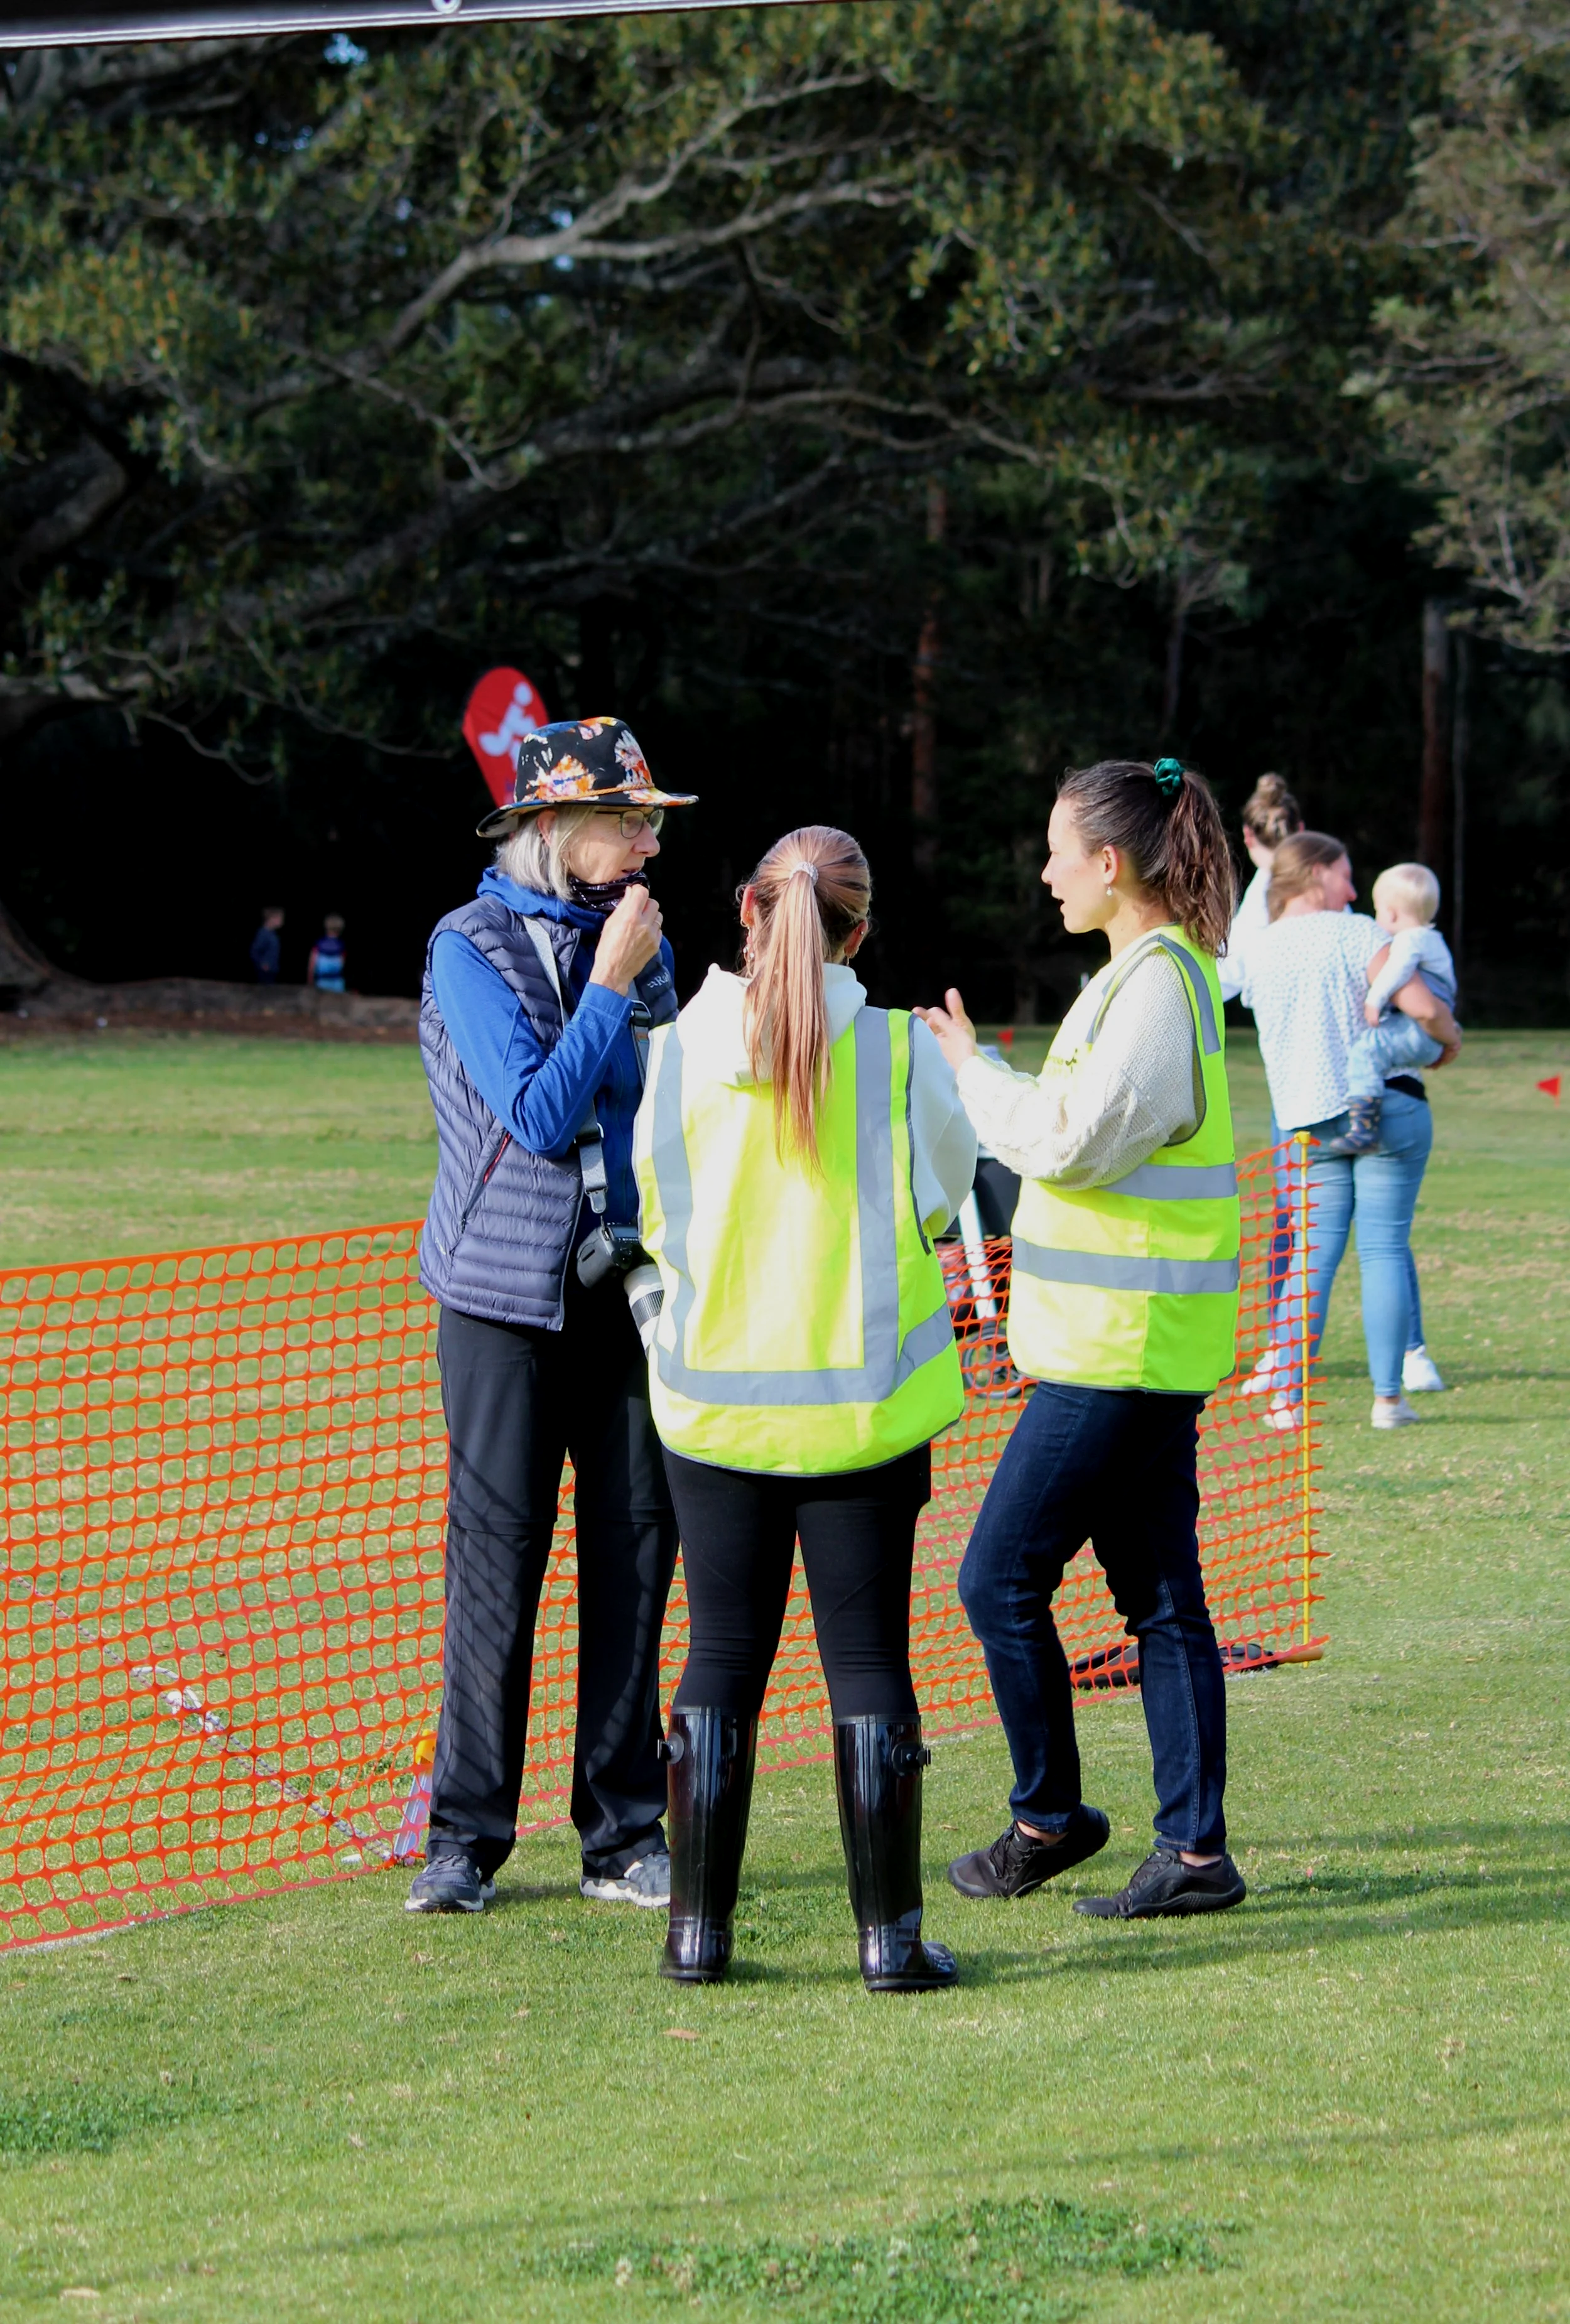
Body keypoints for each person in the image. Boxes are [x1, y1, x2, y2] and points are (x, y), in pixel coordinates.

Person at [634, 824, 977, 1991]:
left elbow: (649, 1210)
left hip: (714, 1405)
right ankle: (888, 1942)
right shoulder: (895, 1051)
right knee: (868, 1662)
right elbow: (945, 1190)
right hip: (861, 1405)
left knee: (720, 1655)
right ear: (860, 930)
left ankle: (696, 1935)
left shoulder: (673, 1050)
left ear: (745, 907)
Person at [919, 756, 1249, 1923]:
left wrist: (972, 1076)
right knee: (1163, 1603)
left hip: (1121, 1354)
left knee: (997, 1577)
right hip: (1127, 1348)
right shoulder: (1136, 979)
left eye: (1059, 850)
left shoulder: (1157, 985)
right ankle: (1195, 1855)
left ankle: (1049, 1817)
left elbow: (1072, 1143)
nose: (1048, 872)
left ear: (1111, 865)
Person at [408, 717, 696, 1915]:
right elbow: (532, 1111)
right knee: (497, 1561)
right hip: (500, 1300)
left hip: (630, 1291)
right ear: (549, 828)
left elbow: (677, 1100)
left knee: (636, 1552)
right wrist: (613, 982)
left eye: (651, 823)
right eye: (627, 820)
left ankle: (625, 1832)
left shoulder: (643, 939)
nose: (646, 841)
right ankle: (465, 1840)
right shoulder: (467, 945)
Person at [1237, 832, 1461, 1432]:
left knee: (1311, 1258)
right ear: (1315, 875)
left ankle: (1285, 1397)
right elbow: (1421, 1006)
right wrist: (1451, 1036)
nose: (1355, 889)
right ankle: (1388, 1400)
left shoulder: (1256, 952)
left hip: (1309, 1124)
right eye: (1345, 875)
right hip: (1388, 1108)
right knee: (1384, 1249)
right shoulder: (1359, 932)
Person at [1334, 862, 1456, 1156]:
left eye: (1377, 910)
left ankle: (1364, 1128)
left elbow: (1396, 971)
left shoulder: (1409, 940)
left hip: (1417, 1030)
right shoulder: (1434, 940)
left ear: (1390, 913)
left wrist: (1374, 1000)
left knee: (1366, 1052)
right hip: (1431, 1034)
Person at [1216, 773, 1302, 1004]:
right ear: (1301, 830)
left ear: (1248, 835)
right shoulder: (1330, 882)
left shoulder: (1261, 899)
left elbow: (1223, 975)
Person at [308, 914, 348, 993]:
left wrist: (310, 981)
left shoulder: (319, 943)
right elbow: (342, 964)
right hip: (337, 983)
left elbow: (312, 965)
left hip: (322, 982)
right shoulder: (341, 945)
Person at [249, 906, 284, 983]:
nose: (281, 922)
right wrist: (262, 964)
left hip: (273, 970)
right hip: (265, 972)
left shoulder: (273, 935)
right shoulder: (263, 934)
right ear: (272, 919)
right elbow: (254, 951)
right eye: (280, 919)